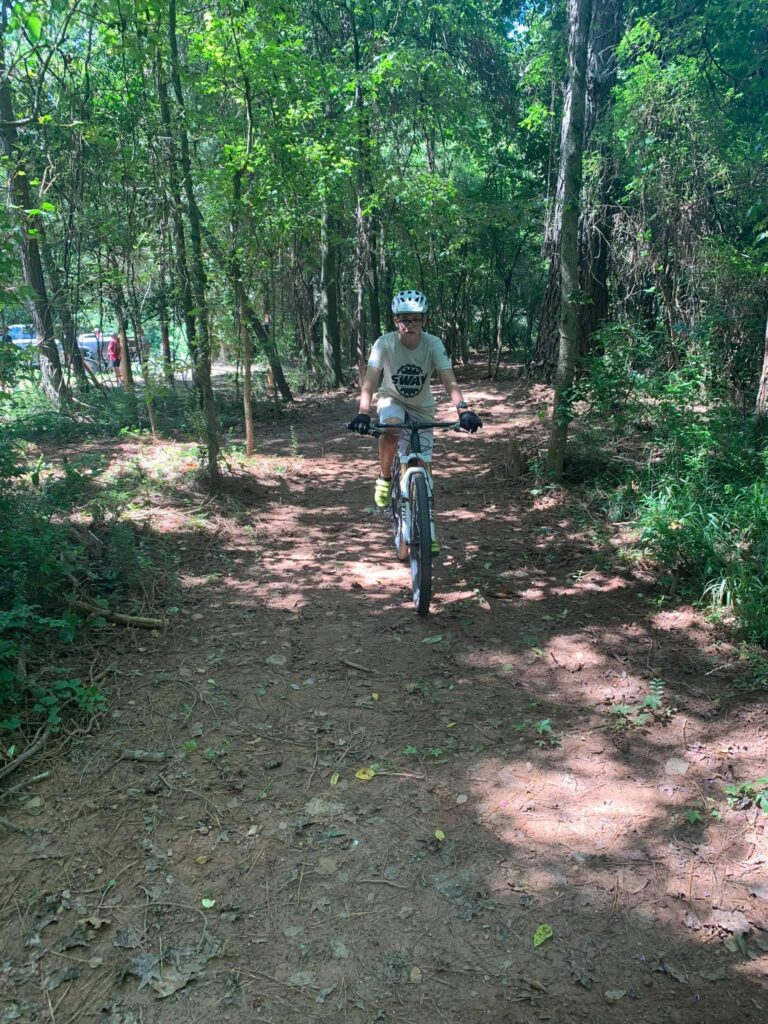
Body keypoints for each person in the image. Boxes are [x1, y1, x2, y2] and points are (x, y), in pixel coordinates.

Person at [348, 289, 482, 554]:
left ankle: (426, 525)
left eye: (415, 319)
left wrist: (463, 409)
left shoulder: (432, 344)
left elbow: (448, 378)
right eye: (404, 320)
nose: (409, 325)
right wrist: (363, 412)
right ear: (395, 320)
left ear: (424, 320)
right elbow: (371, 379)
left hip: (422, 406)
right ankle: (385, 478)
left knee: (423, 461)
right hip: (391, 399)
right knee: (393, 428)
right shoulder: (384, 343)